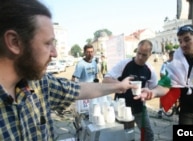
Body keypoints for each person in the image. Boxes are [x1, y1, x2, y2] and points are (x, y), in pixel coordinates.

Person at [0, 0, 135, 140]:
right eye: (47, 43)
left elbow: (78, 89)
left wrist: (119, 86)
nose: (55, 53)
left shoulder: (39, 83)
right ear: (14, 42)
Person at [103, 39, 158, 141]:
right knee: (121, 136)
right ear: (136, 51)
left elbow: (155, 88)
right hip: (121, 107)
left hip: (139, 108)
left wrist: (150, 92)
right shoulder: (125, 64)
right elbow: (106, 80)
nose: (140, 57)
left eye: (144, 55)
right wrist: (120, 84)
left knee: (148, 135)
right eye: (139, 53)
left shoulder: (150, 69)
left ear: (150, 54)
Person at [157, 50, 175, 118]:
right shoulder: (165, 64)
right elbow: (162, 73)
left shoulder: (175, 64)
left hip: (173, 82)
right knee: (162, 95)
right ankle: (160, 110)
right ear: (170, 56)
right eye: (174, 56)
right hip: (165, 82)